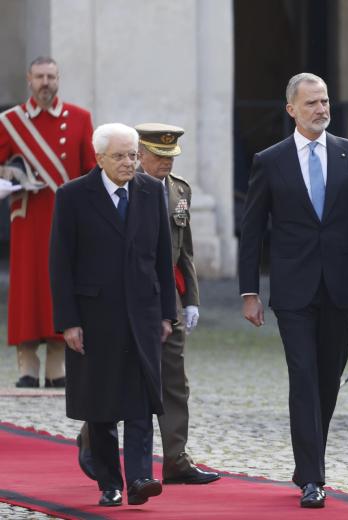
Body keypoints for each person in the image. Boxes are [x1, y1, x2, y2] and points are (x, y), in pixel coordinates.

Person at [239, 72, 348, 508]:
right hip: (293, 291)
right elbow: (252, 231)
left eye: (324, 102)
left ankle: (308, 465)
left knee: (327, 380)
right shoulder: (271, 160)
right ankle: (313, 479)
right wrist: (249, 290)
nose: (321, 109)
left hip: (341, 287)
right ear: (291, 111)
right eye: (311, 104)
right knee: (303, 377)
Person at [75, 124, 219, 486]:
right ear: (141, 154)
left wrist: (191, 300)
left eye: (171, 157)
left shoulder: (178, 190)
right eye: (158, 156)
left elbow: (183, 249)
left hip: (166, 299)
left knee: (173, 381)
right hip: (125, 301)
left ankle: (175, 458)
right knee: (119, 378)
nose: (165, 163)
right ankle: (93, 441)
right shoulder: (124, 190)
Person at [49, 123, 177, 506]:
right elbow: (60, 264)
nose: (129, 163)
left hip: (142, 313)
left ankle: (140, 477)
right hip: (94, 316)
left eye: (134, 155)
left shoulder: (152, 191)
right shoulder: (72, 196)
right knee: (100, 405)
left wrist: (167, 314)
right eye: (120, 156)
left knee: (141, 401)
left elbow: (162, 258)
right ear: (99, 157)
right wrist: (68, 321)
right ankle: (109, 482)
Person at [0, 56, 96, 388]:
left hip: (66, 220)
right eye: (40, 76)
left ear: (58, 79)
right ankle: (27, 365)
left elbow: (90, 173)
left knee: (61, 287)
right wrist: (11, 176)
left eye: (51, 77)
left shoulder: (81, 119)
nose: (46, 83)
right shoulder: (9, 122)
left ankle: (57, 365)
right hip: (28, 219)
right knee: (27, 291)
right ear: (29, 79)